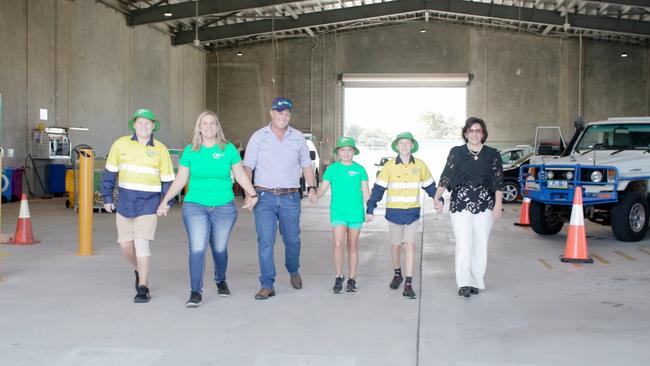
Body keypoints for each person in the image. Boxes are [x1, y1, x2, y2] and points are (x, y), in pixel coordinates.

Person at [157, 111, 258, 307]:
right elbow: (181, 179)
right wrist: (165, 201)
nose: (209, 126)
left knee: (219, 248)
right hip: (195, 205)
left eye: (213, 123)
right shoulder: (190, 151)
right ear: (199, 128)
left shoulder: (228, 150)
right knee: (197, 248)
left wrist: (252, 194)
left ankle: (220, 279)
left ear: (217, 127)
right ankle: (195, 291)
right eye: (205, 123)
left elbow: (240, 176)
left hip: (224, 207)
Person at [243, 97, 318, 300]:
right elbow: (247, 166)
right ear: (271, 113)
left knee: (292, 240)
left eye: (286, 114)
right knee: (265, 241)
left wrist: (311, 187)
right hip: (264, 196)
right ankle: (267, 284)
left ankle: (293, 270)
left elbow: (306, 164)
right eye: (279, 113)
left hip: (290, 197)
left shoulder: (298, 138)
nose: (283, 117)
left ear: (289, 115)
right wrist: (249, 193)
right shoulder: (259, 137)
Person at [101, 108, 175, 303]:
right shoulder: (120, 144)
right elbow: (109, 173)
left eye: (148, 122)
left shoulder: (161, 149)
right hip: (125, 203)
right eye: (140, 122)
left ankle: (143, 286)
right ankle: (138, 270)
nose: (144, 125)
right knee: (126, 247)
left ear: (154, 126)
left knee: (141, 244)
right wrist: (107, 197)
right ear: (134, 124)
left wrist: (165, 202)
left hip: (148, 204)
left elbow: (168, 181)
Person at [433, 117, 503, 298]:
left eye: (478, 131)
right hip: (461, 204)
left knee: (480, 244)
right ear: (465, 133)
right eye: (471, 131)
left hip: (485, 205)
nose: (474, 134)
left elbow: (498, 182)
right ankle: (463, 282)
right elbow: (447, 175)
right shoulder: (456, 152)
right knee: (464, 245)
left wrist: (498, 205)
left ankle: (476, 281)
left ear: (483, 133)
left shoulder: (492, 154)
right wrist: (437, 196)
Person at [366, 132, 437, 299]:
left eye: (408, 143)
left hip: (412, 211)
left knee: (409, 245)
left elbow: (430, 187)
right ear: (397, 146)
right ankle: (398, 274)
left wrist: (437, 199)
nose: (405, 146)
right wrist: (370, 208)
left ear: (412, 145)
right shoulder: (389, 166)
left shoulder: (420, 165)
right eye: (401, 143)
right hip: (394, 212)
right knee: (396, 245)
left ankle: (409, 283)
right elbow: (378, 190)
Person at [313, 137, 370, 294]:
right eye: (343, 150)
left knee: (352, 245)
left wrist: (370, 209)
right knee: (338, 244)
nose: (346, 153)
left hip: (356, 213)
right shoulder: (332, 169)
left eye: (349, 150)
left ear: (354, 152)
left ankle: (352, 279)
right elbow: (323, 189)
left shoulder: (360, 170)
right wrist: (315, 195)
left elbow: (366, 192)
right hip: (338, 212)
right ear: (338, 152)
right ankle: (339, 276)